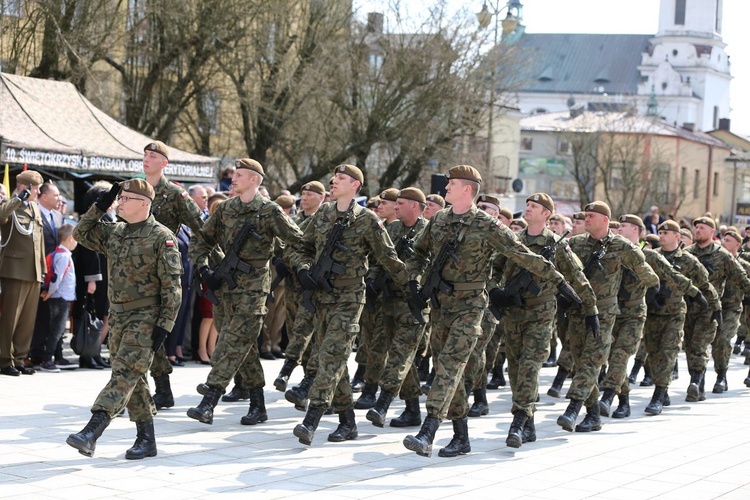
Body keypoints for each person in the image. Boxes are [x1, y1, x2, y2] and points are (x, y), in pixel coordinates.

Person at [402, 165, 573, 458]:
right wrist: (412, 283)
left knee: (451, 366)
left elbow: (522, 254)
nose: (445, 188)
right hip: (442, 305)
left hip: (470, 307)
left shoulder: (487, 225)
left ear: (466, 189)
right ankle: (461, 437)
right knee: (447, 368)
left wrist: (559, 281)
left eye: (451, 184)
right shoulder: (440, 219)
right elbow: (418, 253)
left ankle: (428, 429)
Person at [290, 164, 409, 446]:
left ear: (355, 185)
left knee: (329, 355)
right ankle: (347, 422)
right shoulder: (324, 214)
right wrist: (303, 268)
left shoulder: (367, 220)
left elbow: (389, 258)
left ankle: (312, 418)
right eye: (334, 177)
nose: (333, 181)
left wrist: (413, 288)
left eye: (341, 178)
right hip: (322, 297)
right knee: (335, 359)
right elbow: (300, 246)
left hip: (350, 297)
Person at [67, 179, 182, 459]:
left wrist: (164, 326)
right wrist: (101, 204)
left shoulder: (161, 236)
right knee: (134, 377)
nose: (120, 202)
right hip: (118, 317)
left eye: (126, 199)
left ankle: (92, 430)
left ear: (144, 203)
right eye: (119, 198)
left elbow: (172, 288)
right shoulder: (115, 232)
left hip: (145, 316)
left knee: (124, 374)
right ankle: (147, 438)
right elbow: (80, 233)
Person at [187, 158, 304, 427]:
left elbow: (298, 241)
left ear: (254, 179)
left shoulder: (270, 211)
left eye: (239, 175)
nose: (233, 179)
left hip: (254, 287)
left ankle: (209, 400)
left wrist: (293, 266)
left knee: (231, 342)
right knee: (244, 345)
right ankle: (258, 405)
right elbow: (201, 240)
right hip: (225, 286)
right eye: (234, 174)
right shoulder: (226, 209)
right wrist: (203, 269)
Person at [496, 193, 597, 448]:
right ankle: (528, 424)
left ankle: (518, 423)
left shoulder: (557, 244)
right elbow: (494, 269)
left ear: (546, 214)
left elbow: (576, 276)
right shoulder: (512, 240)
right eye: (527, 205)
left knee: (530, 366)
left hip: (540, 315)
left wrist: (591, 309)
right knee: (516, 369)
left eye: (534, 207)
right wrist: (496, 292)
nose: (528, 209)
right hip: (513, 313)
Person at [557, 201, 658, 433]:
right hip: (577, 311)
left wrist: (641, 293)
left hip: (604, 314)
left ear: (604, 220)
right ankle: (593, 415)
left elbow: (648, 275)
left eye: (591, 216)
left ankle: (573, 408)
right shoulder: (575, 243)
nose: (587, 219)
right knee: (582, 363)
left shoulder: (621, 246)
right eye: (586, 215)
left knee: (592, 361)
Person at [142, 140, 207, 410]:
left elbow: (201, 228)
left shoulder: (175, 194)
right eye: (145, 154)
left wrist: (210, 263)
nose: (146, 158)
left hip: (162, 272)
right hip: (136, 270)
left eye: (152, 155)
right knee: (142, 332)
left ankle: (153, 389)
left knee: (151, 332)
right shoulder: (135, 189)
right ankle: (161, 389)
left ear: (164, 163)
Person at [364, 187, 430, 429]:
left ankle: (382, 403)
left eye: (400, 203)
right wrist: (371, 280)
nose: (396, 206)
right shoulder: (391, 228)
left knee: (400, 355)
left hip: (412, 304)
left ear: (414, 205)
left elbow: (429, 266)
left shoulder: (428, 230)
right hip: (389, 302)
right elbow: (377, 260)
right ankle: (412, 410)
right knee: (404, 359)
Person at [686, 216, 750, 400]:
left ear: (712, 232)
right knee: (691, 346)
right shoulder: (688, 253)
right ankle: (699, 383)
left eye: (702, 228)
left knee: (718, 342)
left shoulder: (722, 256)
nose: (697, 230)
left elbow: (742, 279)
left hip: (721, 308)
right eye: (696, 227)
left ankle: (720, 376)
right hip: (692, 308)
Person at [0, 170, 46, 377]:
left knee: (27, 320)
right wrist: (18, 199)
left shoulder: (35, 208)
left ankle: (19, 358)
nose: (38, 192)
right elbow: (1, 216)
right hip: (15, 269)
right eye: (35, 188)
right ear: (26, 187)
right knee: (10, 318)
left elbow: (40, 242)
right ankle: (4, 359)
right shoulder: (12, 205)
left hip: (33, 270)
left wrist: (43, 269)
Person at [28, 181, 63, 367]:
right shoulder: (35, 213)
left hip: (54, 273)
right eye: (56, 195)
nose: (59, 198)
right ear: (43, 196)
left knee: (53, 316)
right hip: (40, 271)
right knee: (39, 316)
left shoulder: (57, 216)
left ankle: (52, 352)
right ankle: (35, 353)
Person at [38, 224, 78, 373]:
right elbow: (57, 278)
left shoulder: (60, 253)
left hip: (61, 296)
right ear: (70, 238)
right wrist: (50, 292)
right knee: (56, 329)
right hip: (59, 297)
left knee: (59, 329)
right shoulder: (63, 256)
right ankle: (47, 360)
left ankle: (59, 357)